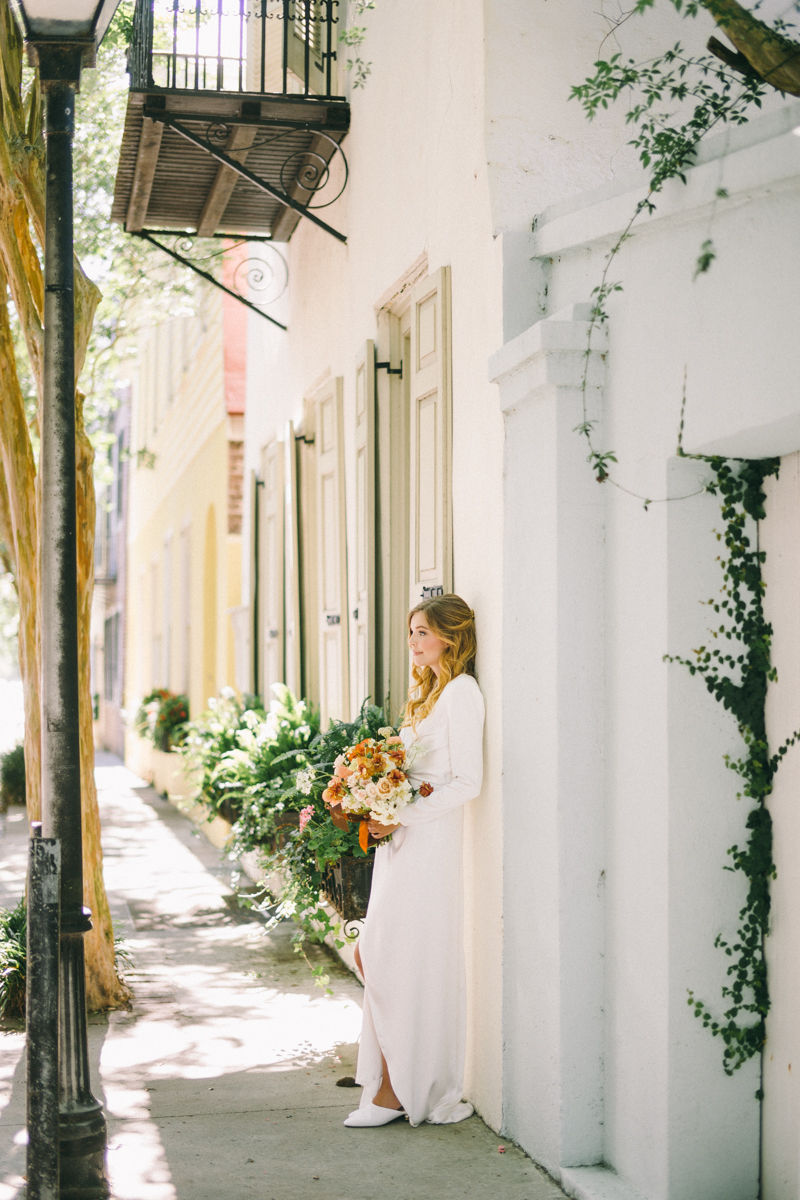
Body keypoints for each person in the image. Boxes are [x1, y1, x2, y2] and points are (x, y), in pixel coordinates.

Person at [341, 593, 485, 1129]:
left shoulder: (463, 694)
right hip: (401, 843)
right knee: (376, 953)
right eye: (411, 631)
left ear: (449, 637)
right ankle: (387, 1083)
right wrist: (377, 803)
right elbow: (406, 774)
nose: (412, 642)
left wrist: (403, 811)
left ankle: (403, 1089)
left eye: (421, 632)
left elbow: (467, 783)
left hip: (430, 843)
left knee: (400, 958)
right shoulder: (426, 696)